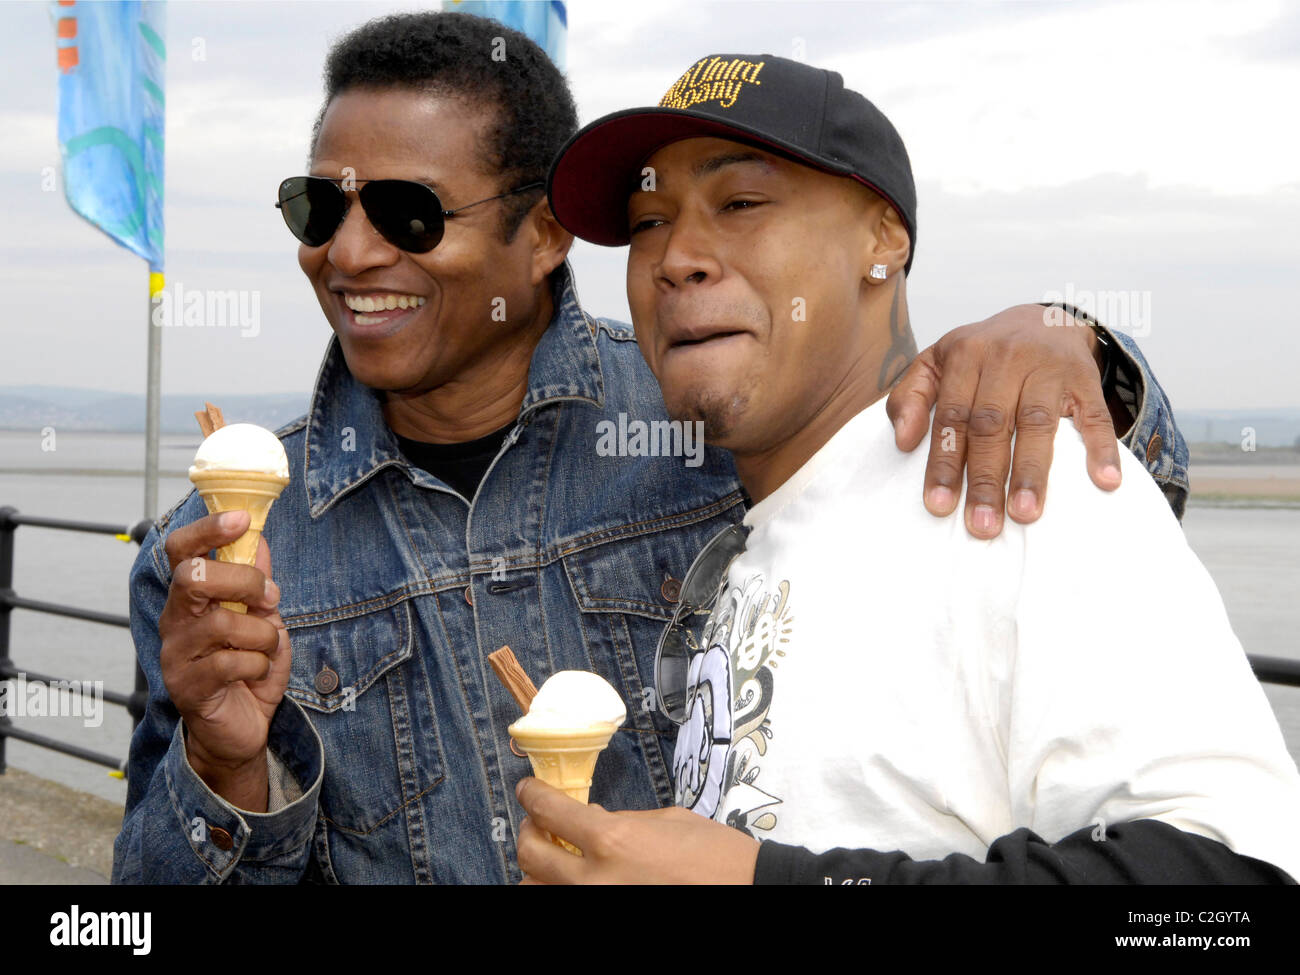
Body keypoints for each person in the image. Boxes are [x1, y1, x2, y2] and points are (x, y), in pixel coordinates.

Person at [113, 16, 1186, 885]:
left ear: (541, 238)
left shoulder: (720, 410)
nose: (347, 253)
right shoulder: (211, 563)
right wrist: (224, 767)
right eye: (318, 206)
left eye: (407, 213)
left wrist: (1080, 346)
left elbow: (1035, 481)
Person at [513, 52, 1300, 884]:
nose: (677, 257)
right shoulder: (751, 537)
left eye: (740, 202)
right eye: (647, 224)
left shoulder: (1011, 476)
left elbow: (1228, 894)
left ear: (883, 238)